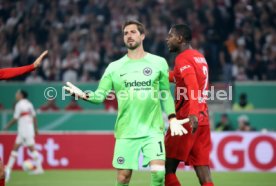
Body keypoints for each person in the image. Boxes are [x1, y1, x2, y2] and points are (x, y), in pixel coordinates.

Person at [64, 20, 189, 186]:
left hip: (153, 129)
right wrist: (82, 95)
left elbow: (165, 94)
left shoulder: (158, 62)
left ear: (142, 35)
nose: (129, 36)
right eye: (125, 33)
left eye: (133, 32)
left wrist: (172, 118)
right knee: (123, 177)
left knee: (159, 174)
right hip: (126, 131)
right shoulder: (114, 67)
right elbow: (99, 96)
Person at [165, 24, 214, 186]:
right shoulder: (199, 57)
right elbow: (184, 79)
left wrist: (192, 114)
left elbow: (192, 86)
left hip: (186, 119)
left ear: (180, 38)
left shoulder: (182, 58)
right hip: (203, 119)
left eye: (170, 36)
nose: (167, 39)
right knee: (204, 172)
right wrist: (163, 76)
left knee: (166, 168)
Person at [0, 50, 47, 186]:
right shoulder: (26, 104)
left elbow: (8, 72)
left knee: (1, 173)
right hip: (25, 128)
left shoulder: (22, 104)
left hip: (25, 128)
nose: (16, 95)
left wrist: (32, 67)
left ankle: (12, 168)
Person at [3, 90, 44, 182]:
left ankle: (39, 168)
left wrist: (7, 126)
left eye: (17, 93)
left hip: (24, 130)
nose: (16, 95)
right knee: (15, 148)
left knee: (31, 148)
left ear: (21, 95)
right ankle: (8, 168)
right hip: (27, 129)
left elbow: (15, 118)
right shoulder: (29, 104)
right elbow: (34, 117)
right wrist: (36, 129)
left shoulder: (19, 104)